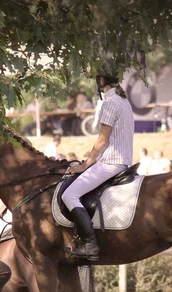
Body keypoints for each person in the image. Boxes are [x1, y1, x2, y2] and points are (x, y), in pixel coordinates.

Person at [61, 60, 135, 261]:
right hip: (123, 160)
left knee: (69, 195)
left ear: (101, 80)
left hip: (111, 162)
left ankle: (90, 245)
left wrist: (85, 165)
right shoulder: (124, 101)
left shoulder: (110, 103)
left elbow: (102, 140)